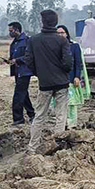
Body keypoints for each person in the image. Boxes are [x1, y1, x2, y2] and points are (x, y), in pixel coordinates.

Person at [23, 10, 72, 152]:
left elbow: (28, 60)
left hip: (44, 84)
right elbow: (68, 63)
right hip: (61, 83)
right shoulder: (62, 40)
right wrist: (62, 72)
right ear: (56, 22)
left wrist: (38, 73)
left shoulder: (33, 40)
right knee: (60, 115)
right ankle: (58, 145)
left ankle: (33, 148)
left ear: (42, 22)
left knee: (39, 116)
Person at [55, 25, 90, 129]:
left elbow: (78, 63)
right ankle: (63, 124)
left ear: (67, 34)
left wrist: (77, 77)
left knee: (71, 104)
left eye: (62, 32)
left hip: (70, 79)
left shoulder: (74, 46)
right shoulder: (53, 48)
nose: (60, 35)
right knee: (60, 104)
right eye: (58, 33)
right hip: (57, 80)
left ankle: (72, 125)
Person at [5, 21, 36, 125]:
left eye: (11, 31)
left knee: (18, 95)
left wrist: (17, 60)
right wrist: (10, 60)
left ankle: (18, 119)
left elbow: (29, 56)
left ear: (17, 30)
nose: (9, 33)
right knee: (24, 93)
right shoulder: (15, 42)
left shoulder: (27, 41)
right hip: (17, 71)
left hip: (25, 71)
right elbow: (14, 55)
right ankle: (32, 114)